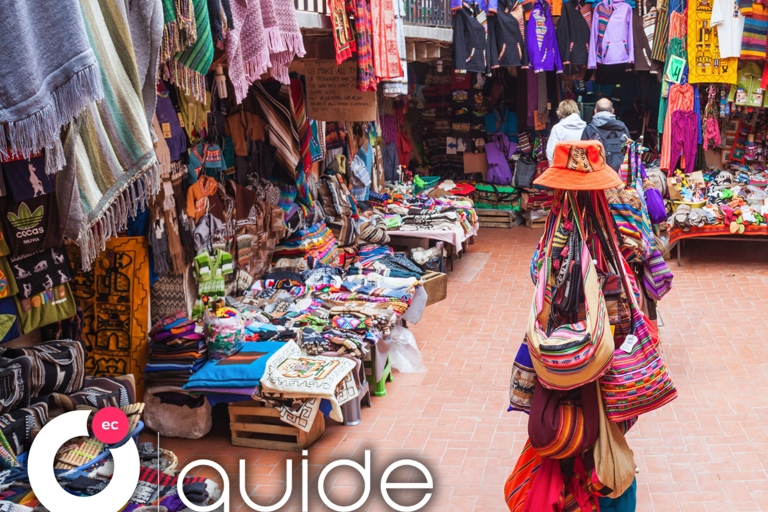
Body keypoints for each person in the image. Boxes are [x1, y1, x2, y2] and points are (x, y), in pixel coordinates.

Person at [581, 98, 631, 172]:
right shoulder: (622, 128)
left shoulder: (589, 130)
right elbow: (630, 152)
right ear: (613, 111)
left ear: (595, 111)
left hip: (598, 176)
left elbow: (582, 156)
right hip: (620, 176)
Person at [546, 100, 586, 166]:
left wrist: (553, 168)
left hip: (563, 167)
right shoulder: (585, 126)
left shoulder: (557, 128)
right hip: (582, 166)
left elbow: (551, 152)